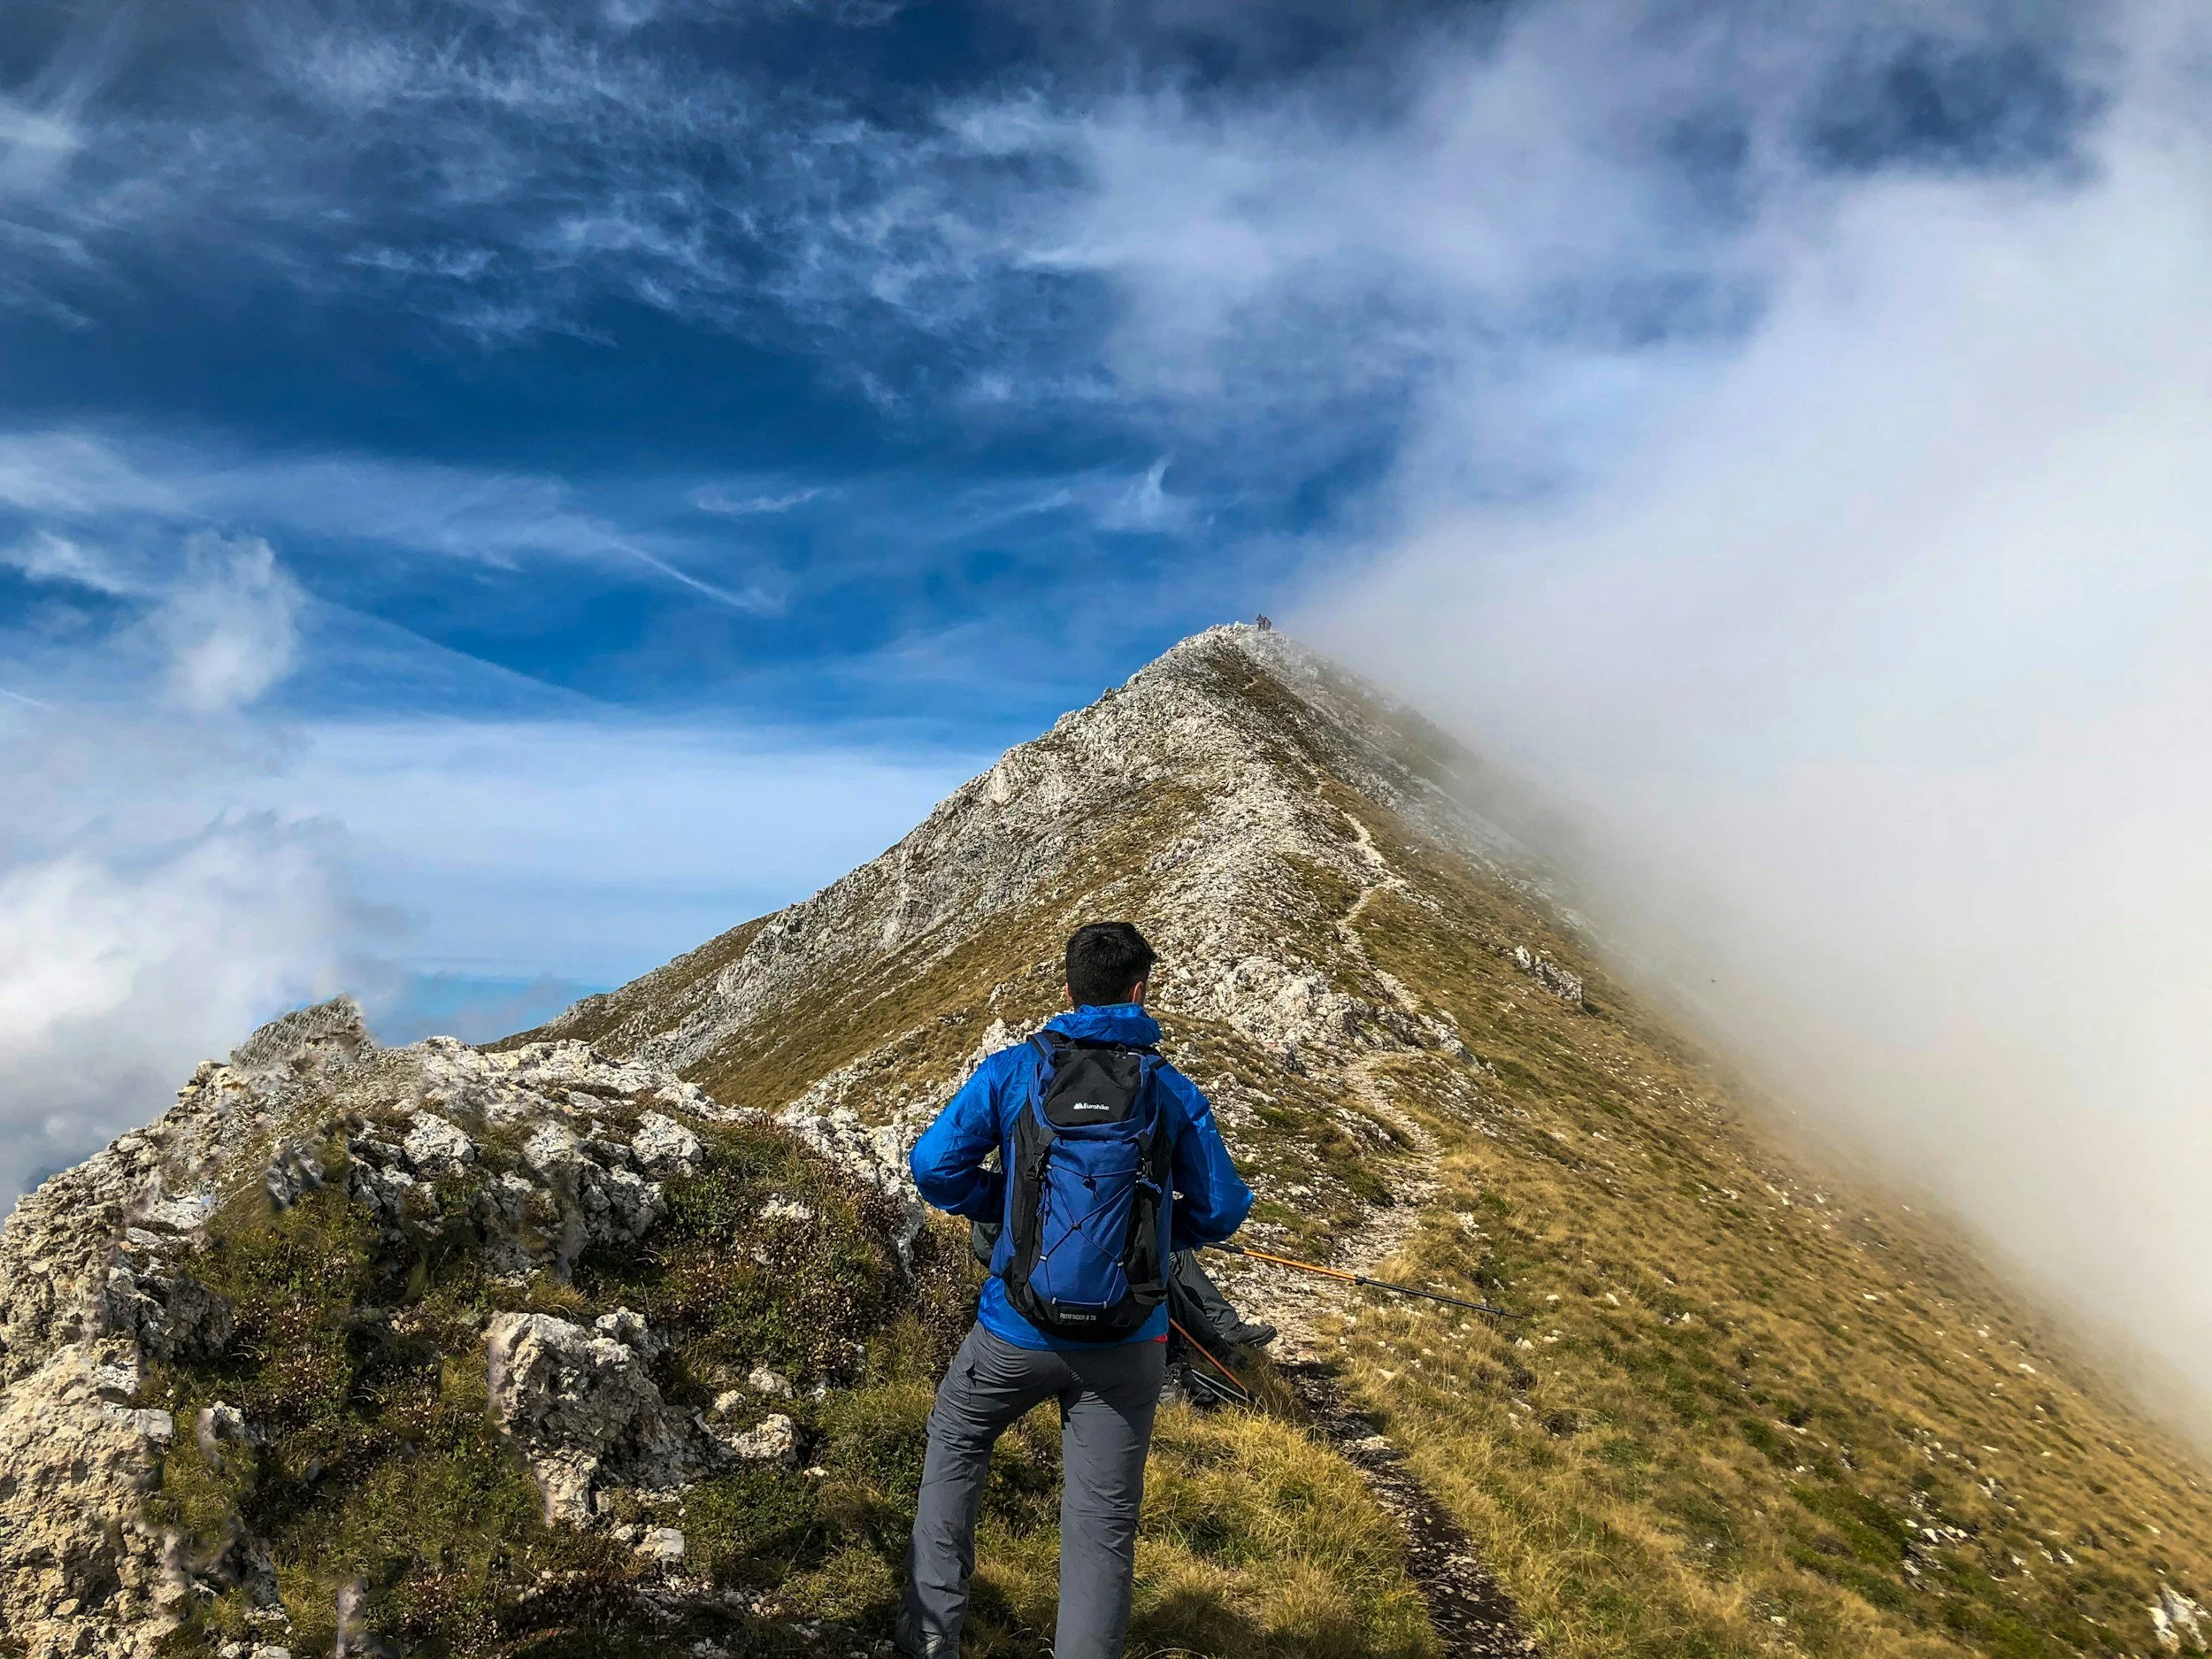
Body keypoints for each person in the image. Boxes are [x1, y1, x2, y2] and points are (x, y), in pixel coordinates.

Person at [901, 921, 1254, 1659]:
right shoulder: (1169, 1089)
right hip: (1129, 1344)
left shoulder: (1013, 1072)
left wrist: (999, 1207)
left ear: (1066, 991)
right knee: (1101, 1521)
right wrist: (1153, 1238)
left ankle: (930, 1640)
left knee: (957, 1440)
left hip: (1014, 1332)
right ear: (1139, 990)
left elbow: (932, 1165)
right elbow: (1221, 1208)